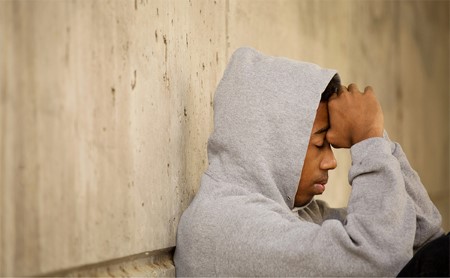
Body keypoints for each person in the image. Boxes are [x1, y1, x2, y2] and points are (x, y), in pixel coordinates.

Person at [174, 47, 446, 276]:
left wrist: (375, 135)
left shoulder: (293, 215)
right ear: (272, 138)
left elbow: (421, 235)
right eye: (319, 144)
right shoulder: (222, 227)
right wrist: (367, 140)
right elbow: (379, 260)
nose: (331, 162)